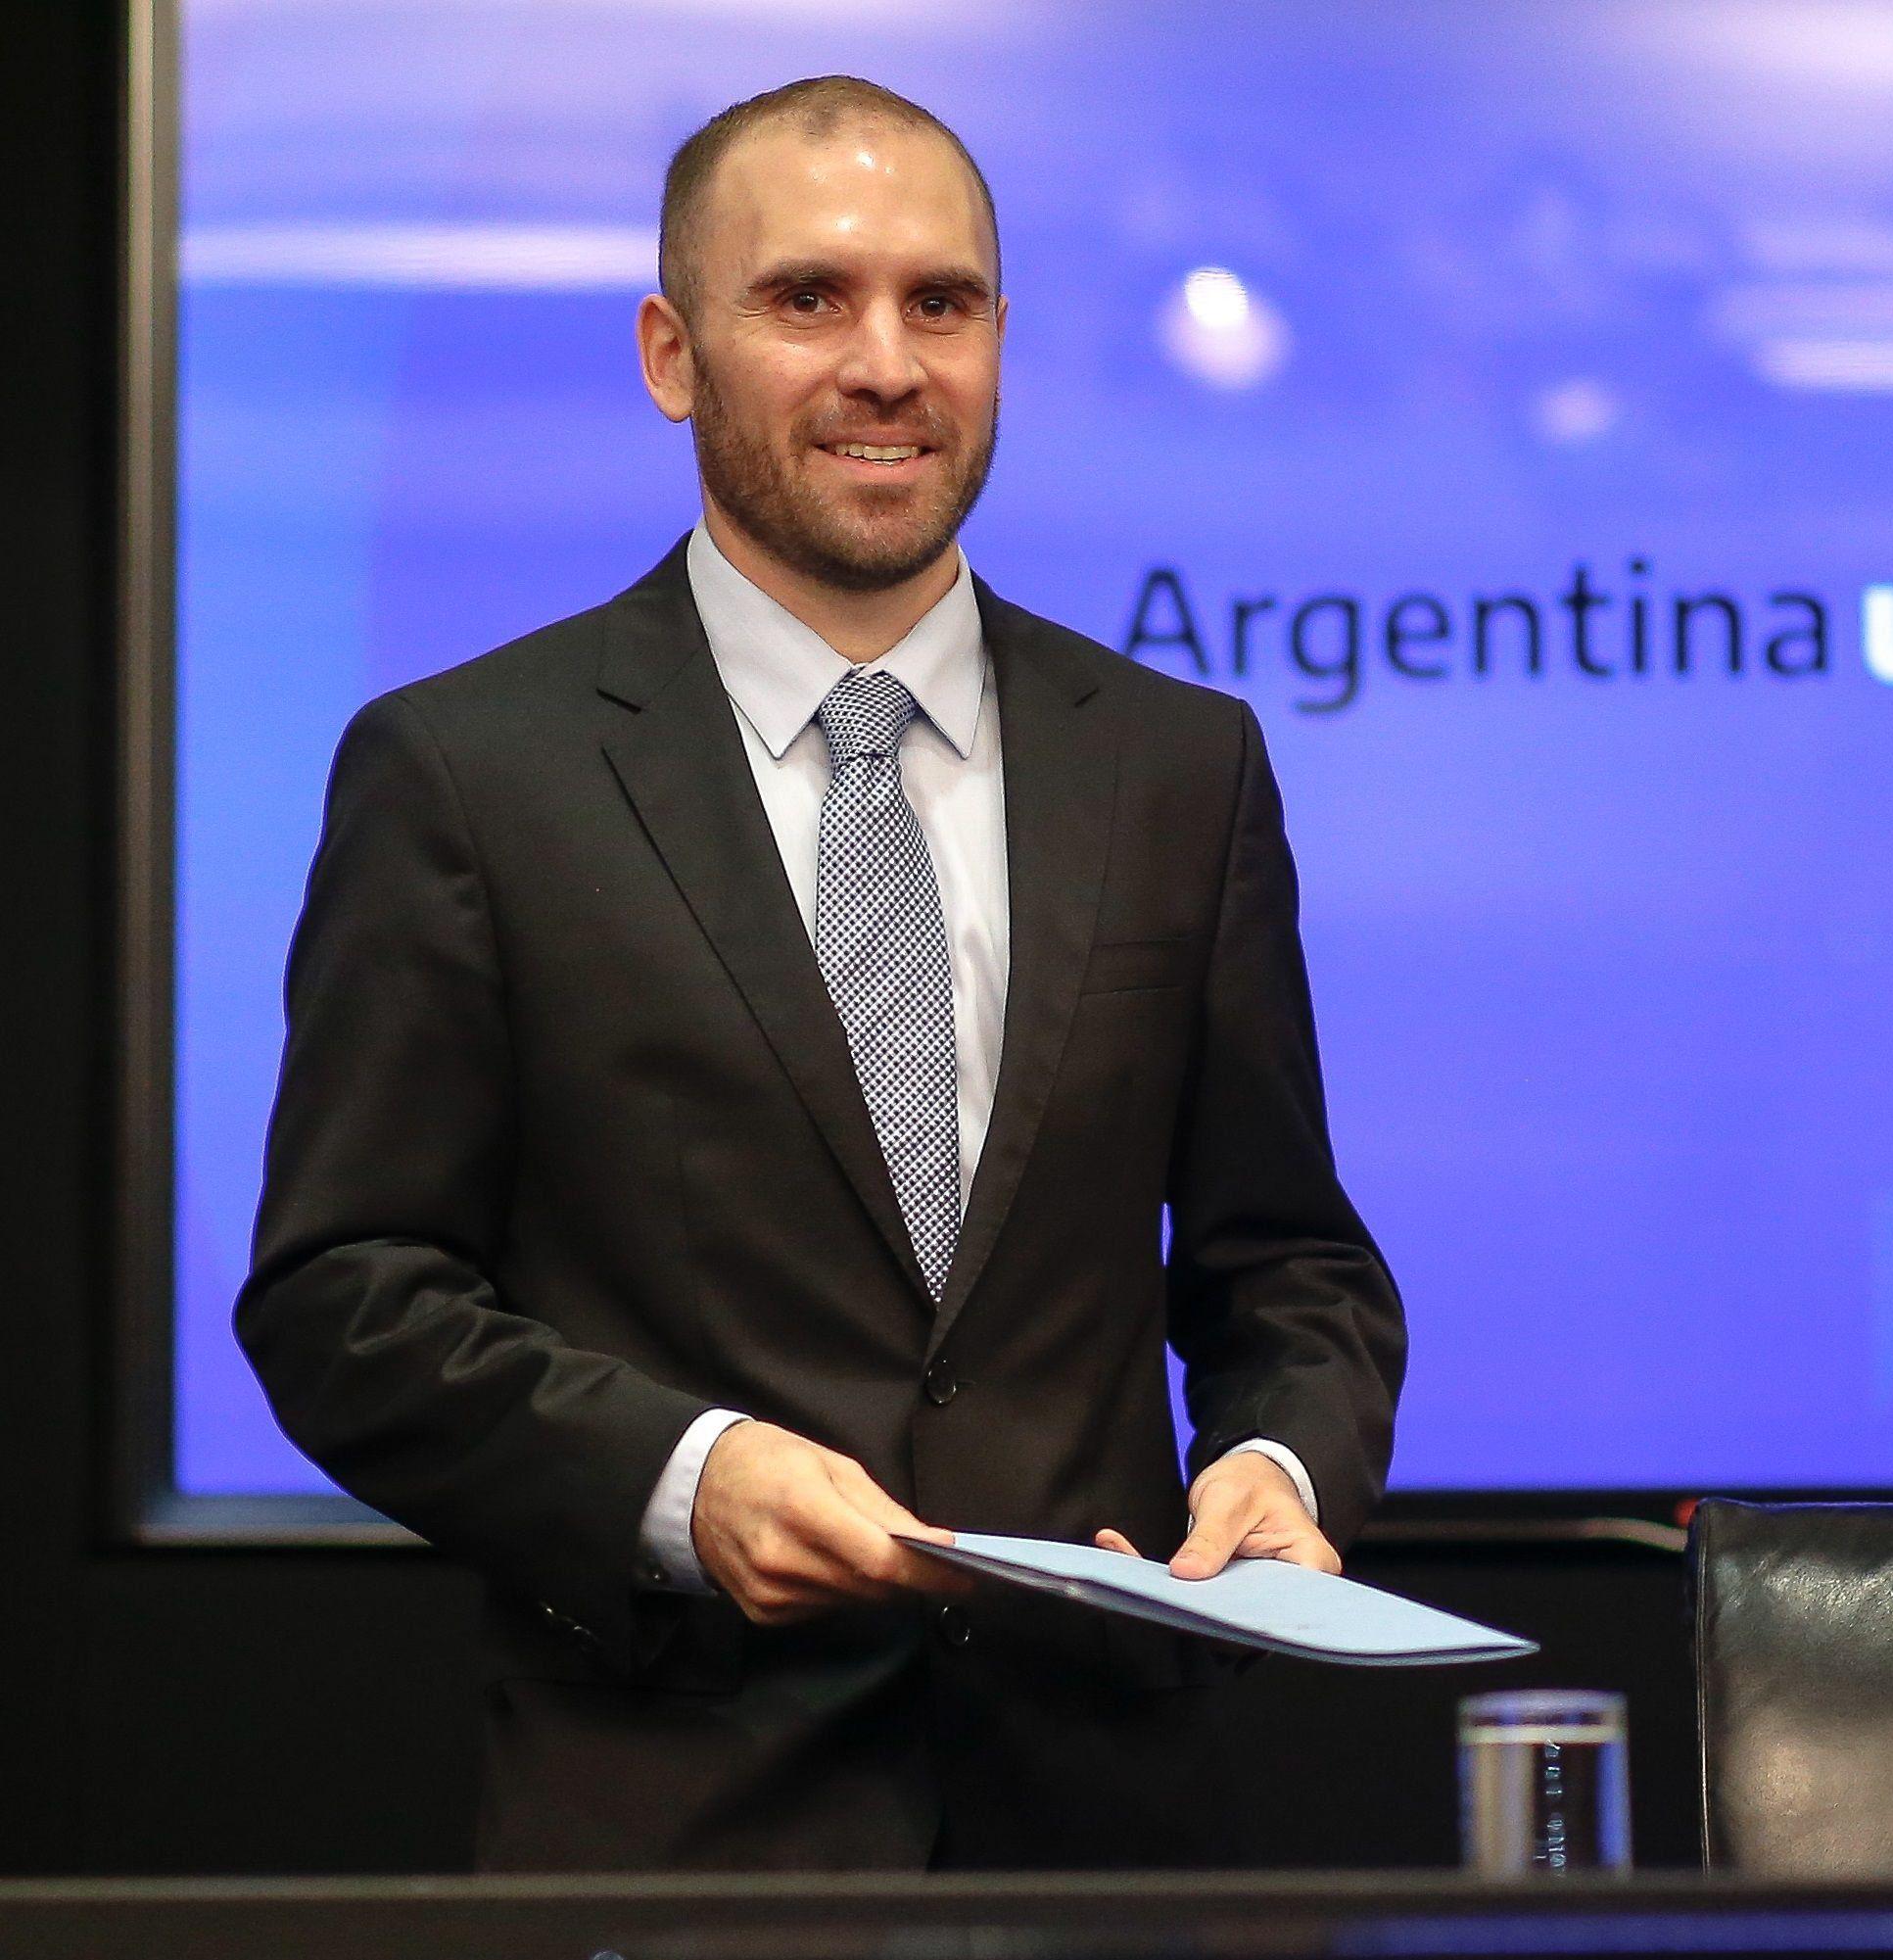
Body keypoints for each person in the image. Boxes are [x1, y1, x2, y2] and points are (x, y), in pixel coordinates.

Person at [236, 74, 1405, 1872]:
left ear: (1000, 339)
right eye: (808, 299)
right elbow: (345, 1297)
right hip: (680, 1824)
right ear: (670, 351)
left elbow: (1287, 1261)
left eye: (940, 303)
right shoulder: (469, 771)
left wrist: (1283, 1466)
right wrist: (682, 1479)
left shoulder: (1181, 765)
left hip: (1115, 1840)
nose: (887, 363)